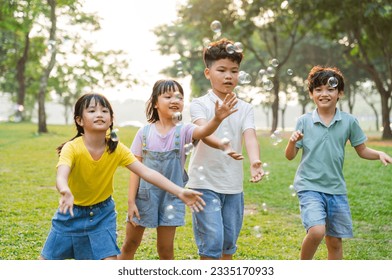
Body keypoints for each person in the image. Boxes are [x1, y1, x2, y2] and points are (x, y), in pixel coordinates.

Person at [39, 93, 205, 260]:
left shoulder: (116, 149)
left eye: (104, 111)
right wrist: (65, 190)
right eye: (91, 110)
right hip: (70, 213)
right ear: (79, 120)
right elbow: (62, 174)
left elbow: (147, 172)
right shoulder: (72, 148)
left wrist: (179, 192)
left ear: (111, 120)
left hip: (102, 215)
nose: (99, 114)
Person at [119, 79, 242, 260]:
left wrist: (216, 119)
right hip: (144, 197)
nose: (175, 100)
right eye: (168, 96)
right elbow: (135, 170)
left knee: (165, 249)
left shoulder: (184, 131)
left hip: (172, 198)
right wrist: (131, 201)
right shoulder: (143, 133)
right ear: (155, 103)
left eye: (179, 97)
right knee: (130, 244)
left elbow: (204, 131)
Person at [285, 65, 392, 260]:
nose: (324, 93)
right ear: (311, 94)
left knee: (334, 242)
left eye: (330, 88)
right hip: (309, 186)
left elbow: (362, 150)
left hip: (336, 190)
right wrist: (292, 142)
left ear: (340, 92)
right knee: (317, 231)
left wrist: (378, 154)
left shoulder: (349, 121)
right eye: (318, 89)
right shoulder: (304, 121)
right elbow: (290, 156)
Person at [186, 38, 264, 260]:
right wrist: (219, 128)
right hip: (204, 184)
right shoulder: (199, 104)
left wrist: (255, 161)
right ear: (208, 72)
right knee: (212, 242)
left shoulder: (245, 107)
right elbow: (203, 132)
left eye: (234, 71)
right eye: (221, 70)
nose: (229, 76)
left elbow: (249, 135)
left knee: (228, 244)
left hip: (233, 185)